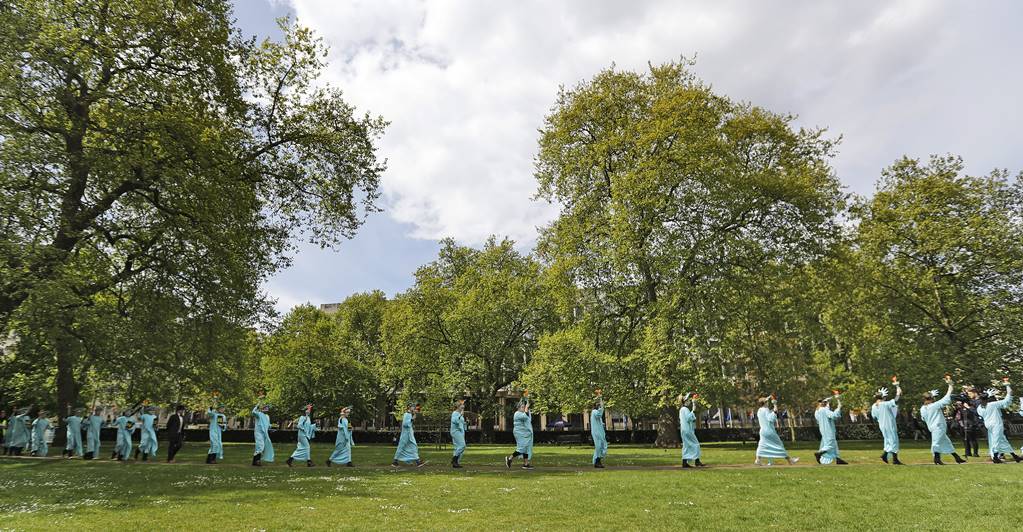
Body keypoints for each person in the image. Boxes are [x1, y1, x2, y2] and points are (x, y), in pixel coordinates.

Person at [919, 375, 966, 465]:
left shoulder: (922, 408)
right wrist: (950, 385)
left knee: (946, 442)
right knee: (936, 443)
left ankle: (957, 458)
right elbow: (947, 396)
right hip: (938, 426)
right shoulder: (934, 405)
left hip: (932, 427)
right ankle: (937, 459)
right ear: (932, 398)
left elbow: (923, 418)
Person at [976, 380, 1021, 463]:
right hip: (996, 424)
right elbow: (1007, 399)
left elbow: (982, 413)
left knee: (1002, 440)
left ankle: (1015, 456)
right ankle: (996, 457)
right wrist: (1007, 385)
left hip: (988, 425)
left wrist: (988, 396)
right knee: (996, 440)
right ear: (987, 399)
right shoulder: (992, 405)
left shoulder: (979, 407)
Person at [755, 396, 798, 466]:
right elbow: (771, 418)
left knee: (762, 445)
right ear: (765, 403)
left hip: (762, 431)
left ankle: (758, 460)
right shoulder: (766, 410)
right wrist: (775, 406)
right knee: (779, 445)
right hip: (769, 431)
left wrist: (773, 409)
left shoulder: (759, 410)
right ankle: (790, 460)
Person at [869, 379, 903, 465]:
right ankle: (895, 460)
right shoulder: (884, 404)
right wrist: (898, 392)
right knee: (894, 440)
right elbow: (895, 400)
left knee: (888, 441)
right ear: (883, 397)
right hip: (889, 424)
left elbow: (874, 417)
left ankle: (885, 455)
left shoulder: (873, 406)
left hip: (882, 425)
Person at [814, 393, 847, 465]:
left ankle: (838, 459)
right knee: (830, 445)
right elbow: (834, 416)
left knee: (834, 444)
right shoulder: (824, 410)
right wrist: (838, 407)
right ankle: (819, 453)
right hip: (829, 430)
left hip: (823, 430)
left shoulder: (817, 411)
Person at [392, 403, 426, 467]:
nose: (414, 408)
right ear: (409, 408)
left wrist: (412, 418)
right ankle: (395, 461)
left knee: (413, 447)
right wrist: (412, 419)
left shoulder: (409, 414)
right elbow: (405, 424)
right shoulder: (407, 414)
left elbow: (408, 424)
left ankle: (417, 461)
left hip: (408, 435)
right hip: (406, 435)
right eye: (413, 407)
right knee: (402, 447)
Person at [506, 394, 534, 469]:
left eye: (524, 407)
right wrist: (527, 407)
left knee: (526, 448)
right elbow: (525, 416)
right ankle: (510, 459)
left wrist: (526, 403)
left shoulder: (521, 413)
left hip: (524, 433)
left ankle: (526, 464)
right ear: (518, 408)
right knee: (522, 448)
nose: (524, 408)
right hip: (519, 433)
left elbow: (528, 416)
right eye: (522, 407)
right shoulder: (517, 414)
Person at [955, 386, 982, 458]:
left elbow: (977, 412)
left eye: (969, 393)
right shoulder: (970, 401)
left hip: (973, 421)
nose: (969, 395)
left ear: (974, 392)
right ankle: (968, 452)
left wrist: (968, 407)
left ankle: (975, 453)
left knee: (972, 438)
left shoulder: (978, 401)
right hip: (965, 421)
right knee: (965, 438)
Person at [678, 392, 703, 468]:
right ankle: (697, 461)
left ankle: (684, 462)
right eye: (687, 400)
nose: (689, 401)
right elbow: (689, 418)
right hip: (687, 430)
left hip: (684, 430)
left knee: (686, 446)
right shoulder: (685, 409)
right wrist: (693, 408)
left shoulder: (682, 409)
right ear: (685, 401)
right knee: (696, 444)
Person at [251, 399, 274, 466]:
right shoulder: (259, 414)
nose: (266, 408)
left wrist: (271, 427)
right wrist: (257, 405)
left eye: (267, 407)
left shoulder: (267, 416)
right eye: (265, 407)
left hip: (265, 434)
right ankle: (257, 461)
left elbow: (268, 425)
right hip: (258, 433)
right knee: (260, 446)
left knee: (260, 447)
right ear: (262, 409)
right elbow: (253, 412)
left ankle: (255, 461)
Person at [591, 390, 608, 468]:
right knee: (599, 447)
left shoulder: (595, 412)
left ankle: (597, 461)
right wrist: (601, 401)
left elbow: (599, 418)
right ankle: (597, 462)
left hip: (599, 432)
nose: (599, 407)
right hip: (597, 432)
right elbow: (600, 413)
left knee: (600, 446)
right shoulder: (594, 412)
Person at [450, 400, 467, 469]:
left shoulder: (460, 414)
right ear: (458, 406)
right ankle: (454, 459)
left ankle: (456, 463)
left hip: (460, 431)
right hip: (456, 431)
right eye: (461, 405)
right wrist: (460, 415)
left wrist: (465, 423)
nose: (463, 406)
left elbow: (461, 423)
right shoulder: (455, 413)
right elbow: (455, 421)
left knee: (458, 447)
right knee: (462, 445)